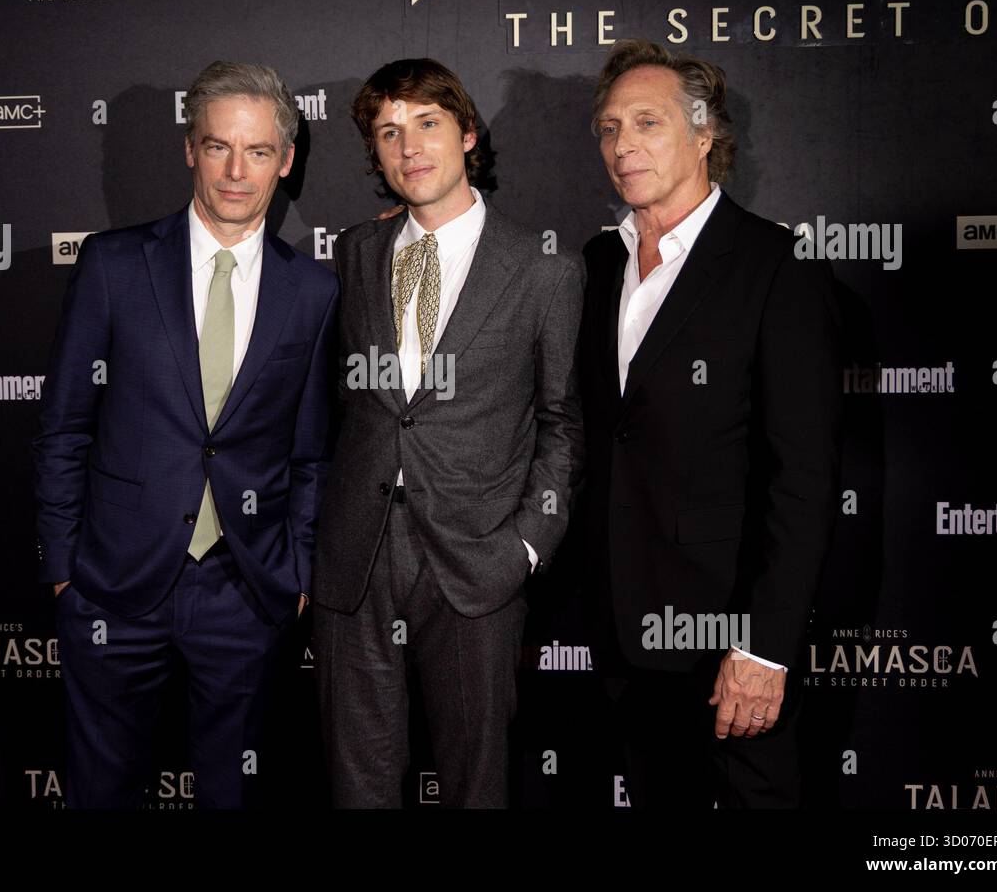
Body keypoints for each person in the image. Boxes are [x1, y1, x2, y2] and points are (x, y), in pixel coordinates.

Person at [32, 61, 338, 808]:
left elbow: (311, 450)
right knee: (100, 791)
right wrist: (64, 568)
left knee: (232, 795)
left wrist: (295, 571)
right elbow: (65, 426)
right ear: (190, 149)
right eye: (218, 147)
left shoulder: (314, 290)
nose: (237, 171)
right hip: (110, 586)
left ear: (286, 159)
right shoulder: (112, 264)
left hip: (244, 588)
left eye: (259, 151)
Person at [313, 58, 585, 808]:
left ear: (467, 134)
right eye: (389, 133)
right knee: (355, 784)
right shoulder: (354, 253)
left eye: (427, 124)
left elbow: (563, 427)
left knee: (476, 785)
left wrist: (524, 547)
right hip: (356, 556)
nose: (410, 148)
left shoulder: (543, 270)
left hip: (477, 557)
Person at [579, 39, 842, 808]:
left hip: (729, 637)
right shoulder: (598, 264)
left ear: (705, 136)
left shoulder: (774, 266)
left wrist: (764, 645)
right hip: (624, 634)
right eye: (608, 127)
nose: (622, 144)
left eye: (647, 123)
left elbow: (805, 478)